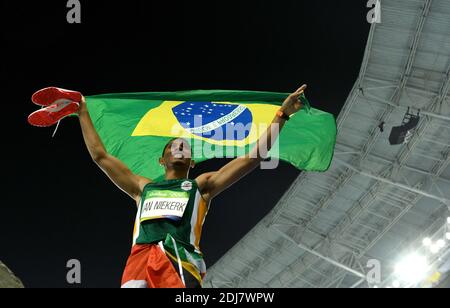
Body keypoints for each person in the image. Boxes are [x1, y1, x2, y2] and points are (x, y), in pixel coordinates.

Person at [77, 84, 307, 288]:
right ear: (161, 160)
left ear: (192, 160)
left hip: (179, 262)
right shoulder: (142, 187)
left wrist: (282, 114)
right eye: (172, 146)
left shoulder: (202, 185)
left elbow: (254, 157)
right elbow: (101, 156)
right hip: (139, 261)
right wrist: (82, 110)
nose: (179, 147)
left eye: (184, 146)